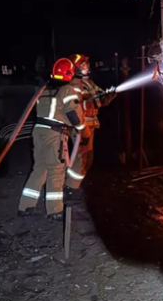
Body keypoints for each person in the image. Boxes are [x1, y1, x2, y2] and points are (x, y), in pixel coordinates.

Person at [18, 58, 85, 220]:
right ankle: (55, 210)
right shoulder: (68, 90)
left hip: (38, 131)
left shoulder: (43, 89)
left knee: (39, 168)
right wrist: (81, 129)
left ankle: (25, 206)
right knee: (56, 170)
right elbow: (74, 116)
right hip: (55, 134)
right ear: (69, 74)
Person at [65, 54, 116, 196]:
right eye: (82, 64)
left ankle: (75, 184)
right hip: (79, 126)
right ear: (74, 68)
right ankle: (70, 188)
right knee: (81, 157)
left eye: (86, 64)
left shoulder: (88, 82)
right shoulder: (74, 85)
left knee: (88, 157)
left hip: (90, 124)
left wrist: (109, 94)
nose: (86, 66)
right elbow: (80, 104)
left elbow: (100, 99)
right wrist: (97, 100)